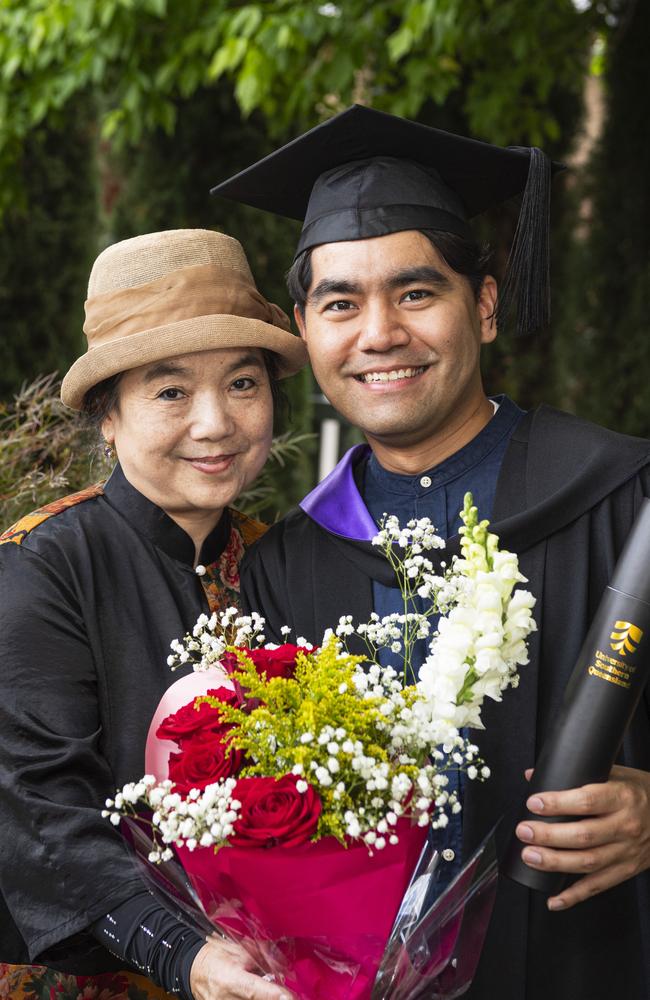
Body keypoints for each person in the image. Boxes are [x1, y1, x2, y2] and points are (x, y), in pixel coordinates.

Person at [212, 106, 650, 1000]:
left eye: (416, 292)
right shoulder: (281, 566)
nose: (378, 333)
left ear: (484, 308)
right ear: (306, 329)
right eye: (340, 302)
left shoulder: (625, 499)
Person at [0, 228, 305, 1000]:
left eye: (243, 383)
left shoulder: (284, 564)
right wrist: (182, 955)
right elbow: (38, 808)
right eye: (171, 391)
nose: (215, 423)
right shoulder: (44, 564)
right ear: (108, 416)